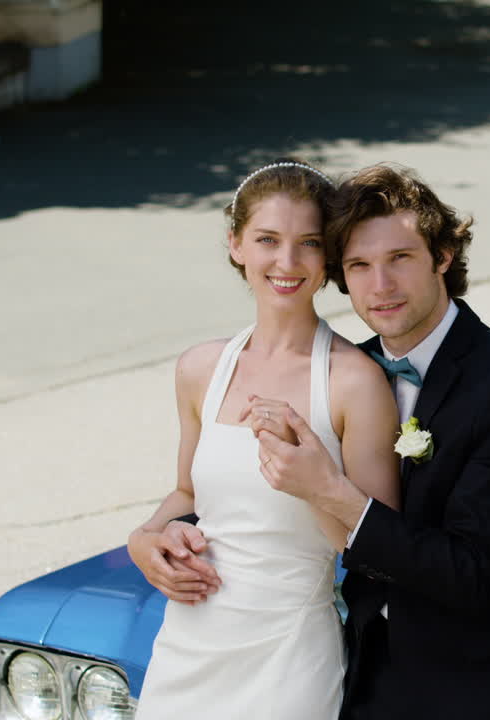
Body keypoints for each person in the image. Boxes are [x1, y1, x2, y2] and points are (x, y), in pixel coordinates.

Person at [250, 163, 490, 719]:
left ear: (441, 256)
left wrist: (332, 492)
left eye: (400, 259)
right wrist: (167, 535)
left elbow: (477, 574)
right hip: (367, 680)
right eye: (360, 266)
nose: (380, 286)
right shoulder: (349, 372)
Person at [125, 159, 400, 719]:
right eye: (268, 240)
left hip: (288, 657)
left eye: (309, 243)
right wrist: (146, 540)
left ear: (328, 259)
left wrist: (311, 480)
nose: (287, 262)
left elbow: (383, 551)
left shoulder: (354, 382)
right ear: (235, 244)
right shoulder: (201, 368)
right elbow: (187, 493)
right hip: (189, 645)